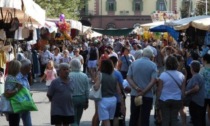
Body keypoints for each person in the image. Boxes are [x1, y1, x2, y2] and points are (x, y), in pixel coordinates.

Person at [127, 47, 158, 126]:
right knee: (145, 117)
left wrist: (137, 88)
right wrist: (144, 91)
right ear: (151, 56)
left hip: (135, 94)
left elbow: (128, 77)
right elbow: (153, 81)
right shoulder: (153, 65)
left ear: (142, 54)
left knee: (134, 116)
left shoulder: (134, 63)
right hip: (147, 95)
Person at [156, 55, 185, 126]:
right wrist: (182, 100)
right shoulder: (181, 75)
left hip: (164, 99)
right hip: (177, 99)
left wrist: (157, 100)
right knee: (174, 119)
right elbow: (183, 90)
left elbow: (159, 90)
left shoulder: (162, 75)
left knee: (165, 119)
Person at [94, 60, 118, 126]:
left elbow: (96, 87)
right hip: (113, 99)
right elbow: (118, 91)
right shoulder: (114, 77)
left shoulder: (101, 75)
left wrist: (97, 79)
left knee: (105, 120)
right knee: (108, 120)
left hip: (103, 100)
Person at [69, 59, 89, 126]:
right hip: (82, 98)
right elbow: (87, 90)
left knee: (73, 119)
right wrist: (87, 100)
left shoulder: (69, 76)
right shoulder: (84, 76)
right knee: (78, 118)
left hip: (72, 98)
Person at [185, 60, 205, 126]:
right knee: (200, 120)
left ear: (192, 68)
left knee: (196, 121)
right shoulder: (198, 76)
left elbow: (196, 88)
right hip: (199, 102)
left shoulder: (196, 76)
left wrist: (187, 92)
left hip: (195, 102)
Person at [4, 60, 22, 126]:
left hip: (14, 106)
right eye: (19, 68)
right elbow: (8, 92)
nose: (20, 69)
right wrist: (18, 89)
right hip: (13, 107)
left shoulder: (12, 77)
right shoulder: (10, 78)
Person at [16, 59, 33, 126]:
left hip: (26, 104)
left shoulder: (25, 76)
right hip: (18, 104)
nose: (31, 68)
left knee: (28, 124)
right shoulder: (17, 77)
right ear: (25, 67)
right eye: (30, 66)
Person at [200, 52, 210, 126]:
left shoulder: (202, 70)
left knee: (202, 112)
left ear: (205, 60)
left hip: (203, 93)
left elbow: (199, 81)